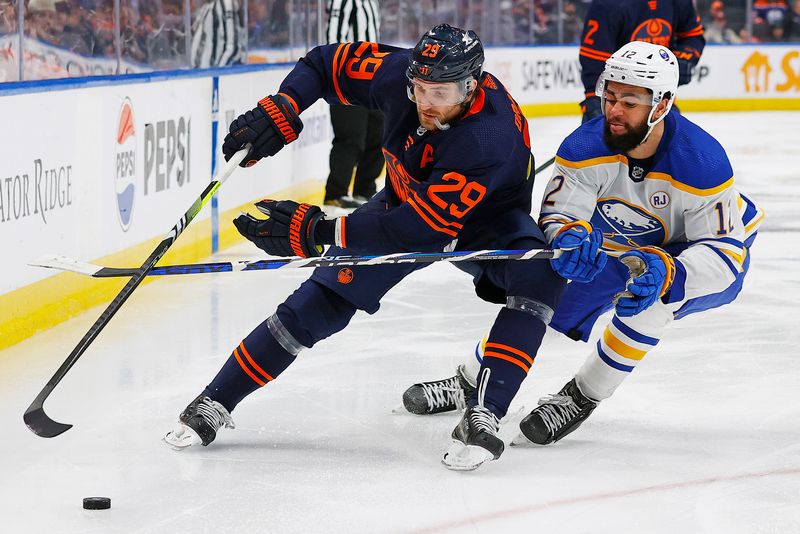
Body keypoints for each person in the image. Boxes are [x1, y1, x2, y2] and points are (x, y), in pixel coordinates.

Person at [163, 24, 567, 471]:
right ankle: (214, 401)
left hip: (487, 222)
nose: (427, 103)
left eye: (442, 93)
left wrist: (319, 231)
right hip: (406, 199)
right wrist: (284, 105)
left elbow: (417, 234)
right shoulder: (399, 75)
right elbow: (324, 62)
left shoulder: (488, 138)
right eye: (421, 90)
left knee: (540, 278)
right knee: (322, 300)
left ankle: (485, 413)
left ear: (471, 86)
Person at [402, 41, 763, 447]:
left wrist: (670, 271)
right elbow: (558, 217)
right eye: (609, 96)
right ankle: (471, 380)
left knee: (650, 304)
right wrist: (568, 237)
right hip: (624, 244)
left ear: (661, 105)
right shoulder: (583, 148)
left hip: (693, 257)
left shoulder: (702, 163)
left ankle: (582, 395)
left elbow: (724, 256)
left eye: (630, 101)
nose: (614, 110)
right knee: (552, 296)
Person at [577, 0, 706, 123]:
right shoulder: (607, 4)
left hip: (659, 101)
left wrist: (682, 59)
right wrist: (594, 99)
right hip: (617, 102)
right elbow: (594, 59)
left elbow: (692, 35)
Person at [323, 0, 384, 211]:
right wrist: (338, 77)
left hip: (374, 78)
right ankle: (336, 194)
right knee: (351, 138)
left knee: (380, 135)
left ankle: (364, 191)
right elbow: (334, 37)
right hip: (346, 78)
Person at [191, 0, 246, 68]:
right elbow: (199, 39)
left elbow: (232, 47)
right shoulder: (206, 7)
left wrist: (218, 72)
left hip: (217, 73)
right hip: (202, 72)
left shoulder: (226, 3)